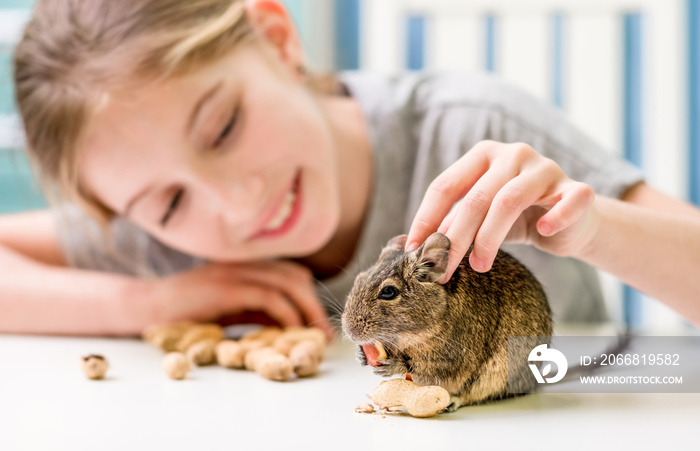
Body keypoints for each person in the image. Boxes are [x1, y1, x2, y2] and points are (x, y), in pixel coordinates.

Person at [1, 0, 699, 337]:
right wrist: (147, 303)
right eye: (170, 204)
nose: (237, 203)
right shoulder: (165, 247)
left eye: (224, 127)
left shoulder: (470, 128)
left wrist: (597, 228)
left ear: (277, 40)